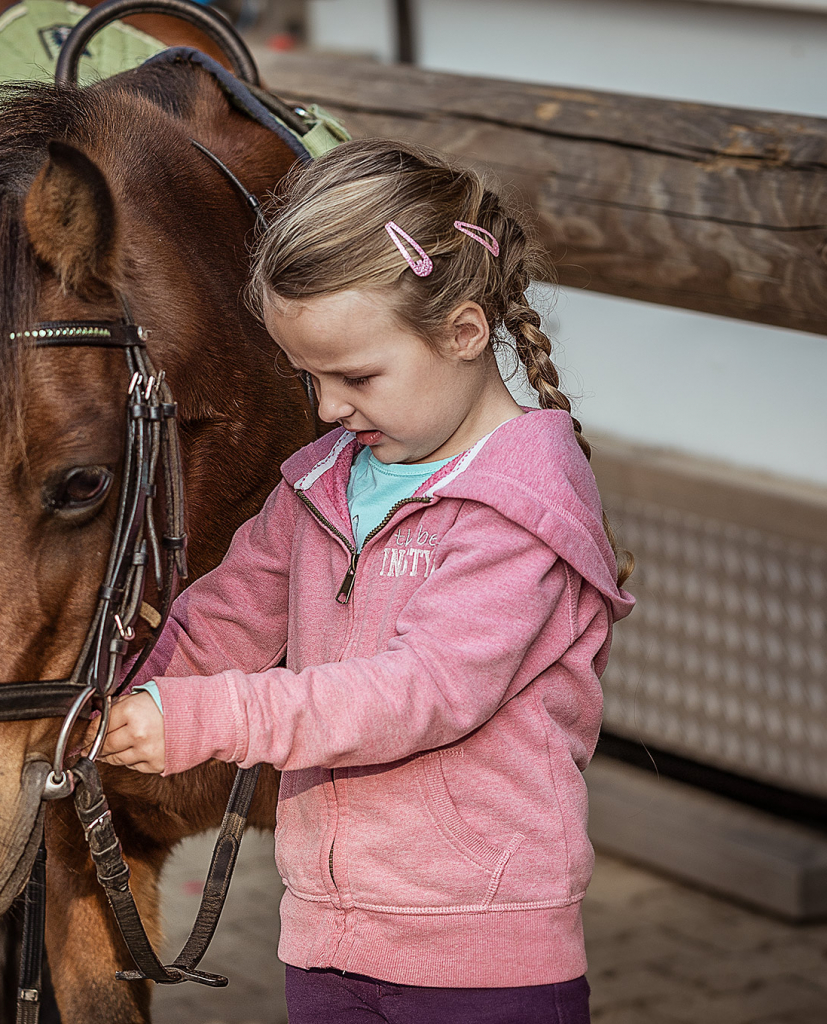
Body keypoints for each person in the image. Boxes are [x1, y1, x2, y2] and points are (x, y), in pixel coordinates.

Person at [100, 138, 635, 1023]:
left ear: (465, 332)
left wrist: (200, 719)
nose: (327, 408)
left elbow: (419, 694)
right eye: (308, 377)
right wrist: (120, 704)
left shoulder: (522, 509)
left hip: (485, 959)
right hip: (328, 943)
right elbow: (221, 621)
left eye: (355, 376)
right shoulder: (319, 483)